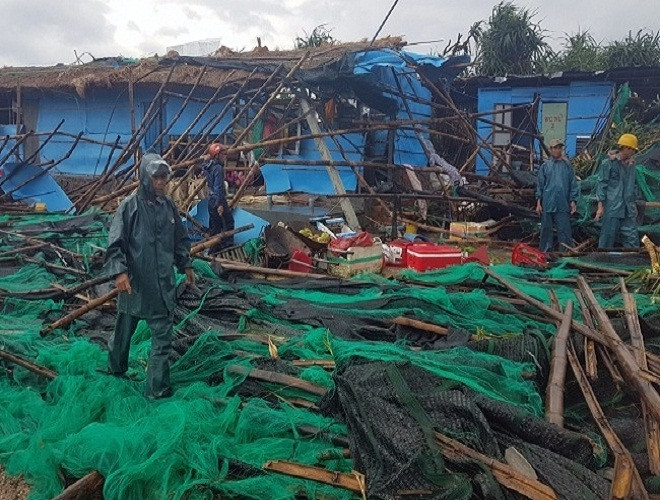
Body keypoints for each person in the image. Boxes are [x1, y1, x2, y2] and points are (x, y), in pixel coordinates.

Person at [105, 153, 194, 399]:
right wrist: (120, 272)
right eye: (156, 177)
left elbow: (180, 240)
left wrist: (186, 265)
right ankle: (116, 368)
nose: (161, 182)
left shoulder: (168, 207)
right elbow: (115, 242)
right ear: (145, 177)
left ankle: (157, 389)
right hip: (135, 284)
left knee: (162, 338)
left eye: (164, 178)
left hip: (163, 285)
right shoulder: (129, 207)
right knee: (123, 331)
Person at [594, 134, 640, 248]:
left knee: (631, 237)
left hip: (628, 207)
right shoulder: (608, 163)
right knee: (607, 237)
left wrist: (633, 204)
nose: (633, 153)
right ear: (626, 148)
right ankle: (603, 257)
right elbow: (602, 184)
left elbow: (633, 185)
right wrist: (600, 207)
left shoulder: (631, 165)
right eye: (632, 150)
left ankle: (632, 258)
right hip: (612, 206)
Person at [535, 139, 579, 252]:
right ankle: (545, 253)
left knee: (564, 230)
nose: (557, 150)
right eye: (555, 148)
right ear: (550, 149)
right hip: (548, 203)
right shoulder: (545, 166)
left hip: (562, 203)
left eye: (559, 147)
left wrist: (573, 201)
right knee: (546, 229)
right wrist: (538, 203)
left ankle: (565, 253)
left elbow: (573, 184)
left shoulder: (567, 166)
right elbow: (540, 185)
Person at [201, 143, 235, 253]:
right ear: (217, 155)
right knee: (228, 223)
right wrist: (220, 204)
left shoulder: (207, 166)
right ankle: (226, 248)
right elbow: (218, 187)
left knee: (215, 226)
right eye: (223, 154)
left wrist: (206, 159)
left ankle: (213, 250)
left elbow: (203, 165)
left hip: (211, 200)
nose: (225, 156)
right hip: (217, 199)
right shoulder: (218, 168)